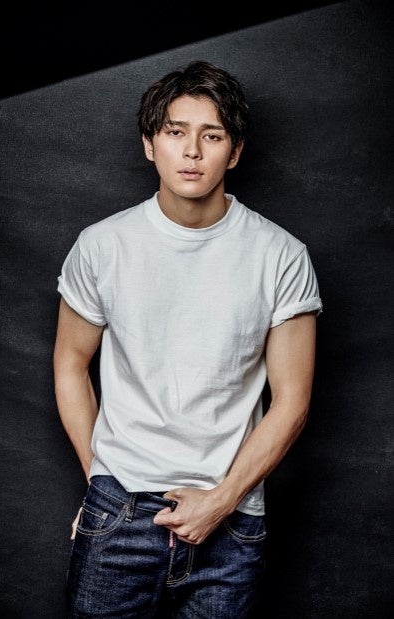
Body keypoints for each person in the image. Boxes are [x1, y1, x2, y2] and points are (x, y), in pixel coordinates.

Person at [53, 60, 323, 618]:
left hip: (231, 521)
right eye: (176, 132)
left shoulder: (281, 256)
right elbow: (70, 364)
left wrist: (220, 502)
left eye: (212, 136)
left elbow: (292, 401)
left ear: (235, 151)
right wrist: (101, 482)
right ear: (150, 144)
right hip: (119, 510)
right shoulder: (102, 246)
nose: (193, 151)